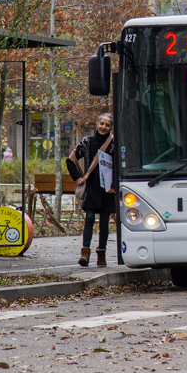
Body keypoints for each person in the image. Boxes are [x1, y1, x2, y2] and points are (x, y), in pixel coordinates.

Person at [67, 113, 117, 267]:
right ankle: (85, 253)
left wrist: (114, 185)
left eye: (107, 125)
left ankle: (101, 253)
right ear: (97, 124)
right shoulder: (87, 142)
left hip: (107, 190)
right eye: (101, 123)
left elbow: (119, 166)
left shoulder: (115, 143)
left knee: (104, 222)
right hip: (91, 188)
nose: (103, 127)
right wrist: (78, 177)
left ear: (111, 127)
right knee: (89, 218)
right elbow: (70, 160)